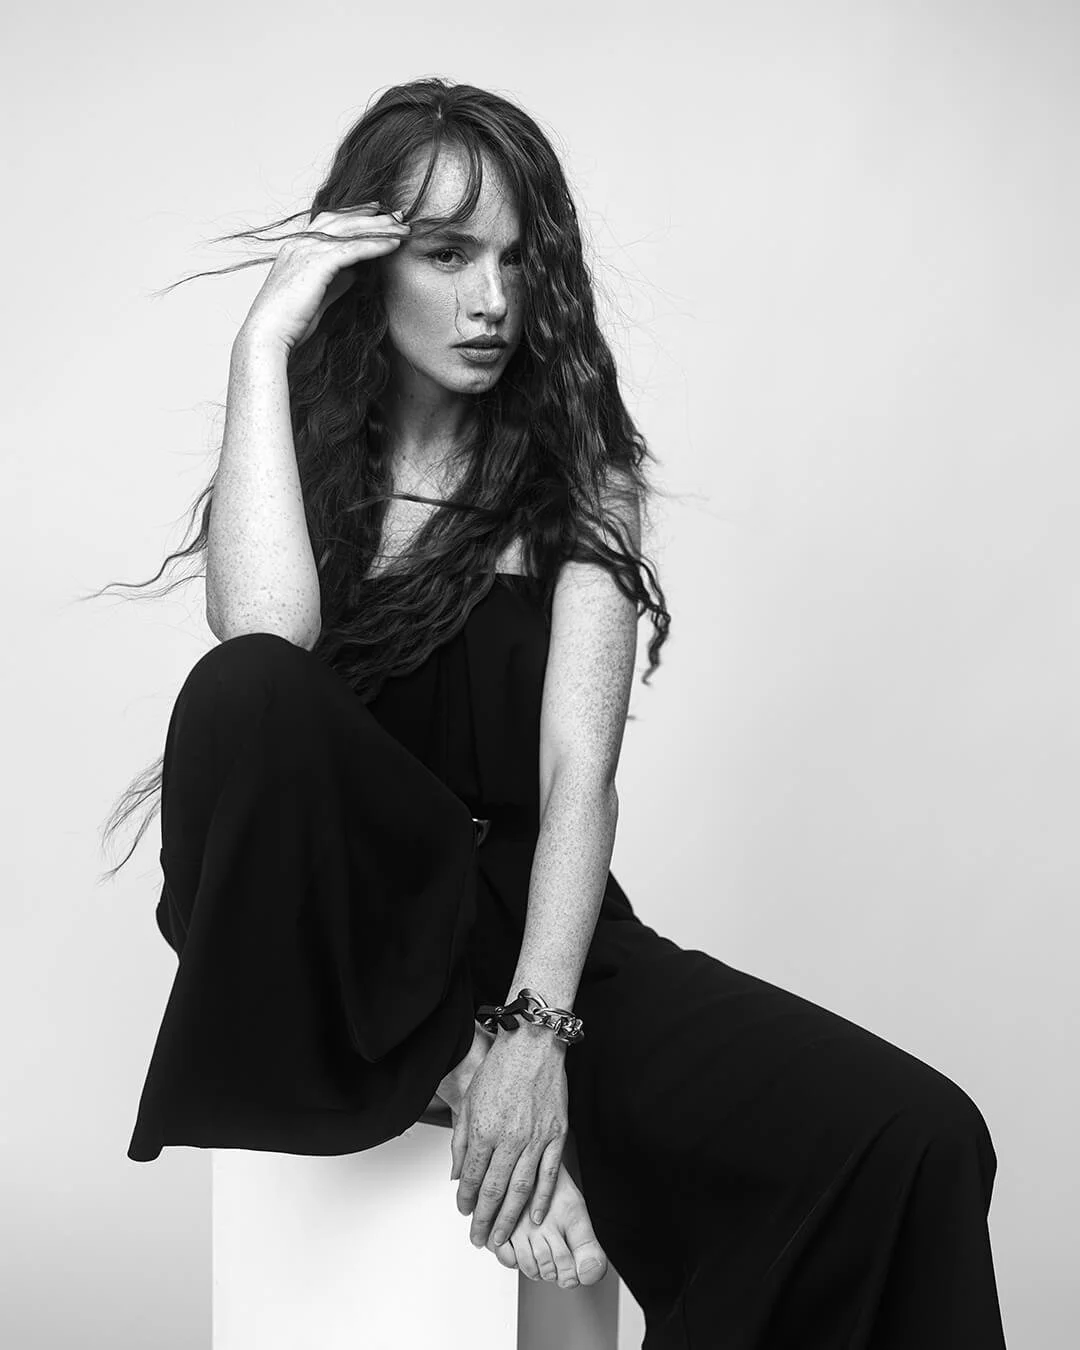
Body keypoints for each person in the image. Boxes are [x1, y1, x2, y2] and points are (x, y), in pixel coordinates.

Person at [98, 78, 1007, 1348]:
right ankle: (446, 1082)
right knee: (244, 690)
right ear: (369, 259)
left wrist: (532, 1034)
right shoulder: (300, 453)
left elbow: (581, 780)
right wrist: (261, 344)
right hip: (341, 929)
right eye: (447, 253)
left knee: (917, 1134)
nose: (493, 301)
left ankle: (497, 1095)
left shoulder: (578, 481)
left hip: (537, 941)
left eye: (521, 260)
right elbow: (265, 650)